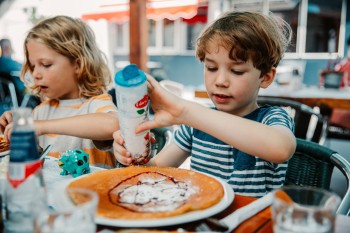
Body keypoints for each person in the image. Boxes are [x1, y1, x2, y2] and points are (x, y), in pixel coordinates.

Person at [113, 11, 296, 197]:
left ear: (265, 77)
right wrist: (133, 155)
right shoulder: (195, 126)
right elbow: (154, 171)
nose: (221, 81)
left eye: (237, 71)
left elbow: (281, 148)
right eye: (211, 68)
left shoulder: (272, 118)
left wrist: (187, 112)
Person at [0, 16, 119, 168]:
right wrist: (17, 132)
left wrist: (41, 126)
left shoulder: (95, 104)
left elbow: (114, 125)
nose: (35, 73)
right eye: (32, 66)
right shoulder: (40, 112)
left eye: (46, 64)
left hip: (93, 190)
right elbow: (38, 159)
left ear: (78, 65)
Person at [0, 38, 26, 104]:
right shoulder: (7, 62)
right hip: (20, 93)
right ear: (7, 48)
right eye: (11, 47)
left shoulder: (2, 62)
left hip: (9, 95)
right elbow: (24, 68)